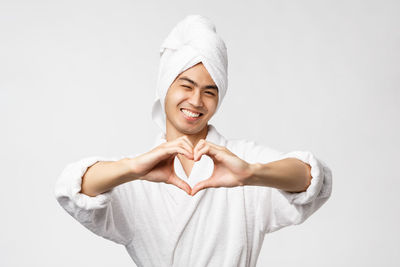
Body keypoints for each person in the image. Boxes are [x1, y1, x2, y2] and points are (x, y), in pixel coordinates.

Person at [54, 14, 332, 267]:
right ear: (165, 87)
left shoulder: (240, 158)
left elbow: (312, 179)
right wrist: (133, 168)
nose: (196, 101)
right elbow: (74, 188)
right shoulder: (140, 172)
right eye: (186, 86)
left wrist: (251, 173)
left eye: (209, 92)